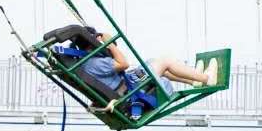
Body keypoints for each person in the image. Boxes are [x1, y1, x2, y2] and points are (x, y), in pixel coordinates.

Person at [79, 30, 216, 102]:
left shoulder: (85, 63)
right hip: (131, 89)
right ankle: (206, 79)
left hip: (126, 84)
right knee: (165, 61)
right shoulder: (95, 63)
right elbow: (123, 64)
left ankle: (194, 80)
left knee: (151, 62)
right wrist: (110, 44)